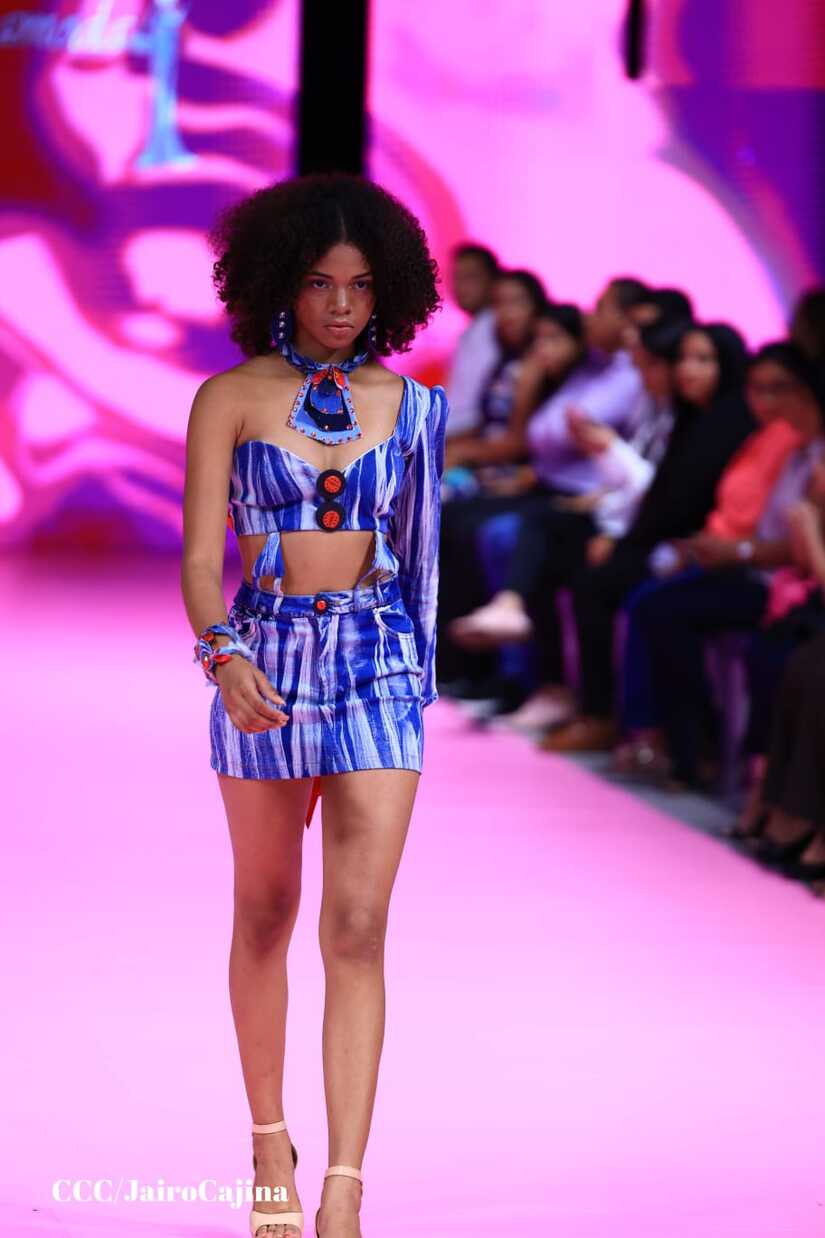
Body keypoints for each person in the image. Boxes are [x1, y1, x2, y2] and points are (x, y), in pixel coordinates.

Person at [181, 172, 447, 1238]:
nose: (342, 305)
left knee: (359, 923)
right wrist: (222, 656)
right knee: (264, 911)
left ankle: (343, 1184)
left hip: (378, 659)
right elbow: (200, 559)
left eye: (361, 285)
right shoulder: (229, 397)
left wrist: (419, 685)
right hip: (265, 657)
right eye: (321, 282)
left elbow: (423, 563)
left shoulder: (415, 407)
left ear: (390, 292)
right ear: (279, 283)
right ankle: (266, 1144)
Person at [447, 315, 686, 730]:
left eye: (645, 361)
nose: (640, 370)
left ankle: (586, 707)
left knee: (556, 556)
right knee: (498, 526)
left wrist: (606, 454)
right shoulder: (642, 404)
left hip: (642, 529)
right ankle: (516, 666)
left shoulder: (633, 393)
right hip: (603, 508)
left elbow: (658, 491)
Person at [542, 321, 755, 753]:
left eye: (703, 360)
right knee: (572, 557)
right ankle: (608, 716)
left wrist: (610, 451)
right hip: (672, 540)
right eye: (685, 359)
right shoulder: (690, 416)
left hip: (702, 549)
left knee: (616, 592)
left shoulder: (728, 422)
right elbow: (663, 498)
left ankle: (642, 730)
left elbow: (683, 501)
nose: (688, 370)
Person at [630, 345, 825, 789]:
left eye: (780, 388)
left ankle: (702, 754)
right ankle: (670, 740)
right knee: (649, 598)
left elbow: (802, 547)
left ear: (807, 391)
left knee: (667, 611)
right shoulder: (784, 446)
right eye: (757, 388)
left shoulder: (809, 456)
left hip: (782, 584)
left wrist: (739, 552)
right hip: (759, 570)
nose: (767, 400)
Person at [443, 243, 501, 436]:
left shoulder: (497, 327)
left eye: (470, 277)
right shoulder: (470, 332)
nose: (460, 286)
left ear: (493, 281)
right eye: (456, 277)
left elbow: (477, 409)